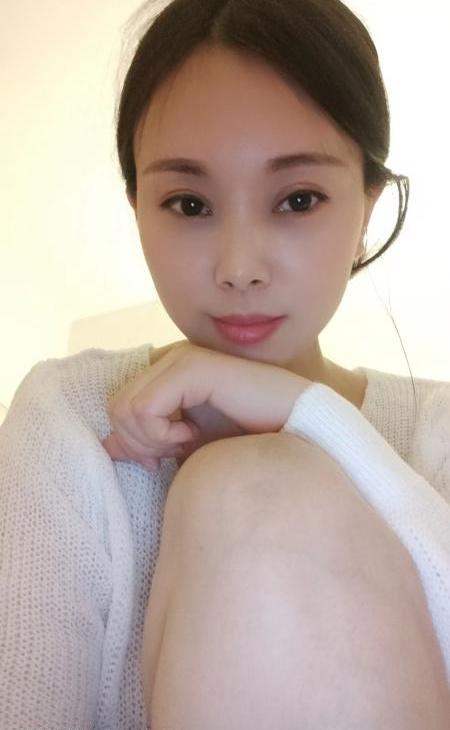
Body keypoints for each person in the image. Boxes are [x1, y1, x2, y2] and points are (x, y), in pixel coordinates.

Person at [1, 0, 450, 728]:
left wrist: (303, 414)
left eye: (297, 199)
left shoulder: (438, 431)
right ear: (137, 207)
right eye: (188, 204)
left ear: (367, 207)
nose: (239, 268)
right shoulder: (69, 420)